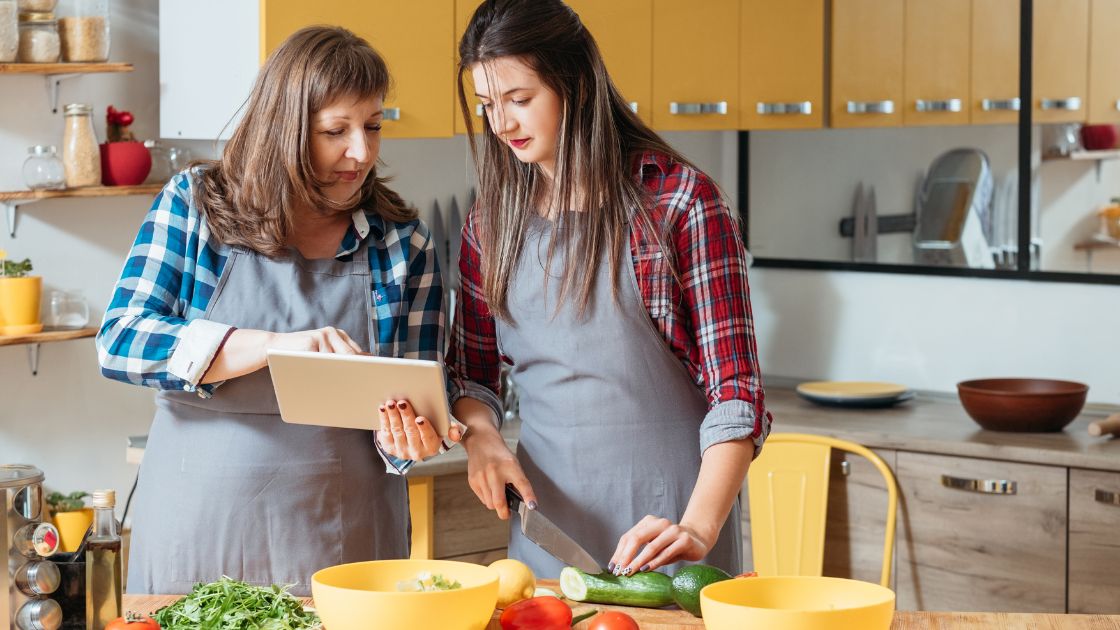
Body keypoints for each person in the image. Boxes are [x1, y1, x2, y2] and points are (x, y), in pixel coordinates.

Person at [96, 26, 450, 595]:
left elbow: (419, 400)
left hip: (346, 547)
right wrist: (271, 346)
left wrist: (413, 438)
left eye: (374, 126)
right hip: (198, 533)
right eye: (336, 131)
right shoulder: (196, 206)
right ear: (285, 129)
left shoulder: (402, 245)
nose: (361, 152)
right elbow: (121, 340)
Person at [447, 0, 773, 579]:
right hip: (548, 539)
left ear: (575, 83)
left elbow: (737, 395)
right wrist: (481, 437)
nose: (501, 124)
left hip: (671, 531)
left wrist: (697, 527)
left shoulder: (680, 203)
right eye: (487, 105)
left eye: (520, 100)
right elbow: (471, 374)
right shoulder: (490, 223)